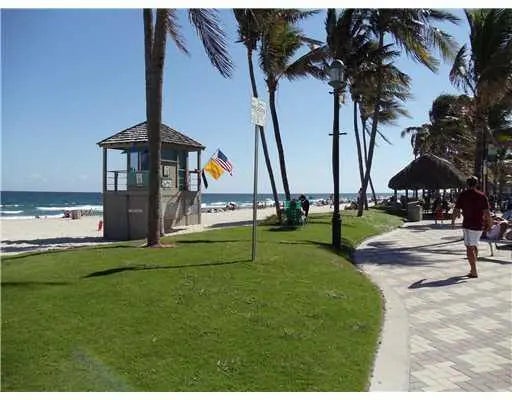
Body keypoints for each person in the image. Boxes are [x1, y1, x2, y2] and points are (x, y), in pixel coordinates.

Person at [451, 176, 492, 278]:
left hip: (468, 225)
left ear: (467, 184)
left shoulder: (463, 195)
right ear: (476, 184)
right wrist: (489, 224)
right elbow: (487, 212)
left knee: (469, 248)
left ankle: (474, 271)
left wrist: (453, 221)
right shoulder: (482, 195)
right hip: (479, 225)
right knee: (474, 245)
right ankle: (473, 268)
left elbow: (456, 210)